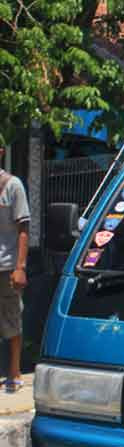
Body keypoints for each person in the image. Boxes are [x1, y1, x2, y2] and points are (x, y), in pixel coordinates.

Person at [0, 148, 30, 392]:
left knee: (12, 319)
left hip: (7, 265)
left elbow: (23, 229)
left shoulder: (13, 186)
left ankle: (14, 371)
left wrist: (20, 267)